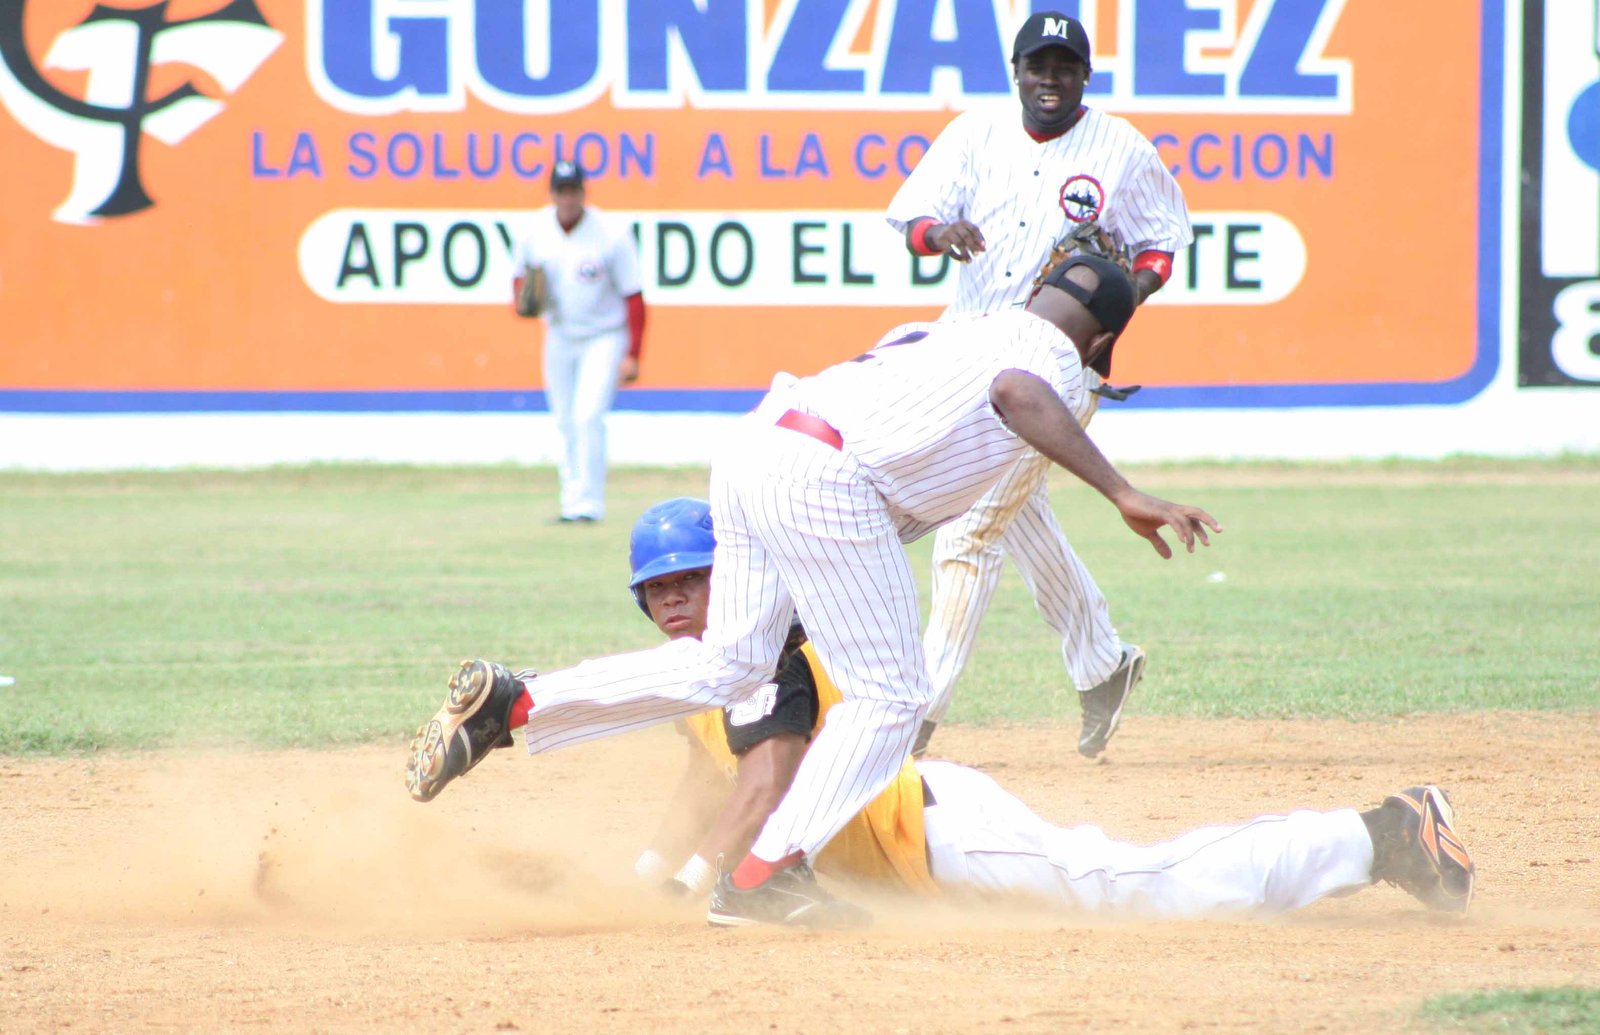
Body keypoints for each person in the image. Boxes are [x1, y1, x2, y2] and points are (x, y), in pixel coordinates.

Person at [406, 255, 1221, 927]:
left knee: (728, 665)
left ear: (1038, 282)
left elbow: (958, 426)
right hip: (829, 478)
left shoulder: (953, 330)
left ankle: (516, 704)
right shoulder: (1043, 356)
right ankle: (765, 874)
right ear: (1104, 337)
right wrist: (1121, 491)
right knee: (893, 694)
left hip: (759, 441)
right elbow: (1019, 393)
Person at [617, 499, 1476, 925]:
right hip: (906, 837)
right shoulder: (703, 674)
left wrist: (689, 884)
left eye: (691, 578)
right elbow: (709, 774)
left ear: (733, 576)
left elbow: (765, 782)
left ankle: (1382, 833)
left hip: (934, 829)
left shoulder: (771, 653)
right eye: (657, 589)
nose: (675, 601)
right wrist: (650, 867)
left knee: (1140, 888)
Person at [886, 11, 1194, 759]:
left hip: (1058, 369)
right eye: (1037, 65)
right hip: (965, 353)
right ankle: (1103, 664)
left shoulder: (1119, 147)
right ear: (1016, 71)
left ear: (1084, 76)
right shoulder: (974, 134)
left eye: (1064, 66)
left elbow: (1164, 239)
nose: (1049, 79)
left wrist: (1127, 294)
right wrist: (939, 234)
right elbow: (911, 216)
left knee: (971, 525)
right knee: (1015, 514)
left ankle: (911, 720)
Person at [513, 159, 646, 524]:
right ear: (553, 193)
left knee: (588, 415)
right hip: (559, 333)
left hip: (604, 335)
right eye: (562, 191)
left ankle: (588, 504)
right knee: (564, 419)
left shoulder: (611, 232)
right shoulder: (533, 232)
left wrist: (633, 354)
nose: (568, 197)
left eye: (574, 190)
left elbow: (634, 296)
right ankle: (571, 501)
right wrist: (524, 298)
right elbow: (519, 284)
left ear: (583, 192)